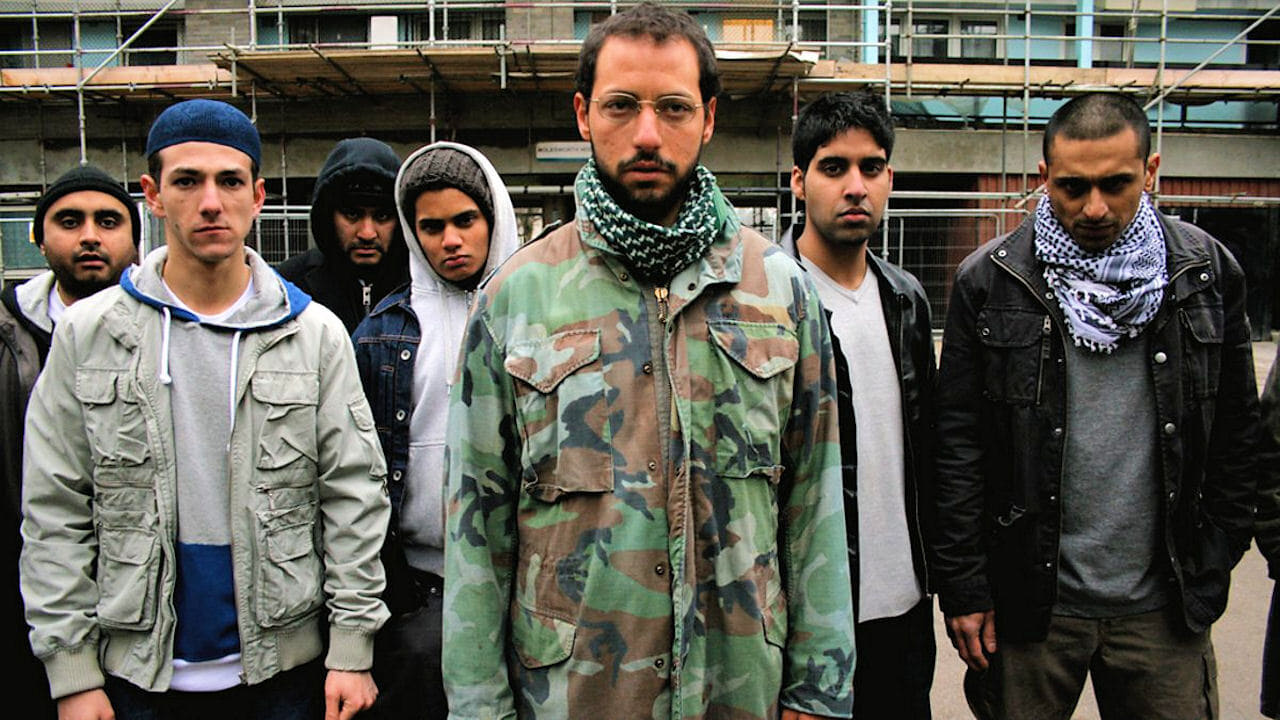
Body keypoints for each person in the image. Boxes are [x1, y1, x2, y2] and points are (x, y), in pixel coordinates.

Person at [441, 4, 855, 719]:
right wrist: (479, 707)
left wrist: (820, 692)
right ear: (582, 114)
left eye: (673, 108)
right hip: (575, 695)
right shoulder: (515, 298)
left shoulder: (780, 292)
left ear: (709, 118)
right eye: (621, 105)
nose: (646, 134)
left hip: (739, 687)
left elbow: (815, 502)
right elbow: (475, 528)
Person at [19, 98, 390, 720]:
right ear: (153, 196)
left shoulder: (313, 334)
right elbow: (55, 508)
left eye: (230, 182)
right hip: (133, 676)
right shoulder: (90, 334)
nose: (211, 202)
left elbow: (353, 495)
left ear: (259, 196)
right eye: (188, 181)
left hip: (284, 673)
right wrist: (72, 672)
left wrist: (352, 649)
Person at [933, 92, 1258, 719]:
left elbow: (1237, 434)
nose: (1095, 208)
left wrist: (1216, 554)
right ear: (1043, 177)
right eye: (1073, 187)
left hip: (1165, 606)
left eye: (1116, 184)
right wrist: (966, 587)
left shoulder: (1206, 273)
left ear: (1151, 171)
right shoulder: (991, 281)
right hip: (1031, 605)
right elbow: (958, 449)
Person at [351, 141, 520, 717]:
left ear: (492, 218)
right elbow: (357, 473)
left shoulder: (540, 313)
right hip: (424, 593)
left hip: (528, 585)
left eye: (465, 221)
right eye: (431, 226)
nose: (450, 240)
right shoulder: (383, 332)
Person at [782, 91, 936, 720]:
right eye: (833, 167)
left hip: (905, 609)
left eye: (871, 168)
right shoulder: (762, 300)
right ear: (799, 181)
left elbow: (931, 454)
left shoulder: (906, 298)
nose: (855, 187)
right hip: (808, 619)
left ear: (889, 179)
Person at [1, 164, 141, 720]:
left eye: (108, 221)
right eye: (69, 221)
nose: (89, 236)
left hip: (134, 599)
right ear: (39, 238)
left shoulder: (167, 329)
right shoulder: (8, 333)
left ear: (134, 239)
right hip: (25, 579)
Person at [277, 137, 406, 333]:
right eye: (352, 215)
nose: (367, 233)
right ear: (328, 216)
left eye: (382, 216)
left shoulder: (421, 287)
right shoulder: (289, 285)